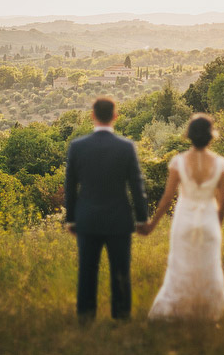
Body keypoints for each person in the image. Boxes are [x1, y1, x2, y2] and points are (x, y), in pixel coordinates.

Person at [64, 97, 149, 322]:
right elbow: (136, 186)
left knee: (87, 270)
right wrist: (142, 219)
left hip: (87, 218)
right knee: (120, 270)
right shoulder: (126, 147)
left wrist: (70, 219)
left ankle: (85, 316)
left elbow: (70, 187)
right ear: (115, 116)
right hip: (118, 219)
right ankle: (121, 316)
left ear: (92, 115)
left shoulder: (77, 146)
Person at [143, 113, 224, 321]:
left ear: (189, 135)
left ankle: (178, 311)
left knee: (180, 266)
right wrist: (216, 225)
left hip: (183, 221)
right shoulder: (220, 164)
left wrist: (152, 224)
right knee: (208, 267)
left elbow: (166, 198)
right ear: (211, 136)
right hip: (208, 221)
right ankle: (207, 314)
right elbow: (223, 202)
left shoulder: (178, 162)